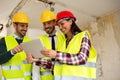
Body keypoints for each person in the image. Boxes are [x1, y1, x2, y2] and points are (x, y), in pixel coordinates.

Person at [27, 10, 97, 80]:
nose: (60, 27)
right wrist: (36, 61)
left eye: (62, 24)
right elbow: (56, 66)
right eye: (59, 25)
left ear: (70, 21)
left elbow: (82, 58)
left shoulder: (83, 36)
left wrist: (56, 55)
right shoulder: (63, 43)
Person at [31, 10, 65, 80]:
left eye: (48, 23)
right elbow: (35, 65)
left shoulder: (64, 38)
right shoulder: (39, 40)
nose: (46, 26)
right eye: (44, 24)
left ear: (54, 22)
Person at [0, 12, 32, 80]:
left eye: (26, 26)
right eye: (22, 25)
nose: (25, 29)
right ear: (14, 25)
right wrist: (12, 52)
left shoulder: (30, 41)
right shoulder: (4, 41)